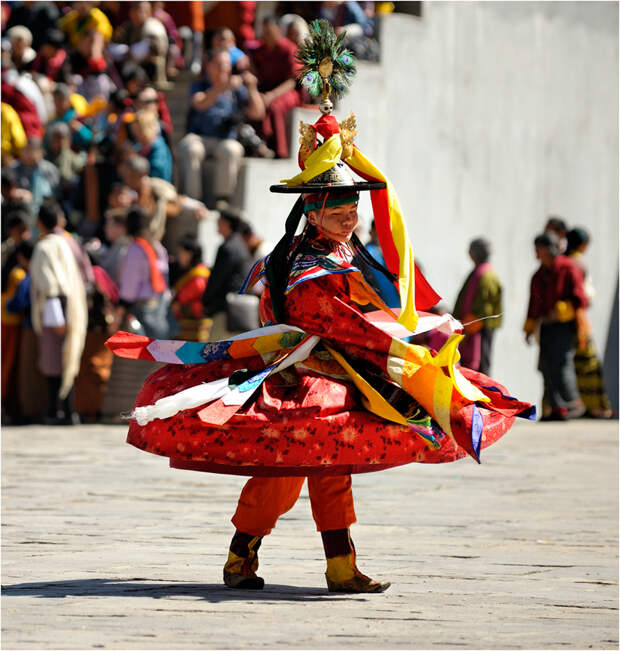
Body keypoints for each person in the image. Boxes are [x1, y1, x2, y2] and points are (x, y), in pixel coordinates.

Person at [105, 21, 533, 595]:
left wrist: (418, 326)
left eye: (353, 207)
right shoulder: (304, 266)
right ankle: (243, 555)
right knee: (283, 475)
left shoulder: (340, 253)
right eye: (337, 208)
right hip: (303, 377)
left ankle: (339, 565)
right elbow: (335, 322)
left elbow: (369, 309)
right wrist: (400, 344)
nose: (349, 217)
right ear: (312, 209)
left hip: (343, 371)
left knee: (332, 468)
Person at [177, 48, 265, 207]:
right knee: (189, 148)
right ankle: (193, 198)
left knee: (231, 150)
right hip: (200, 137)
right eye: (219, 64)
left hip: (225, 139)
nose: (224, 68)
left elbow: (258, 113)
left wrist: (252, 88)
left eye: (226, 64)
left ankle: (222, 199)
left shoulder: (237, 90)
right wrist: (222, 87)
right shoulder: (199, 85)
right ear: (209, 66)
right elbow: (200, 103)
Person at [29, 199, 87, 425]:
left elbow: (49, 285)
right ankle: (69, 411)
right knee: (68, 358)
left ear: (40, 222)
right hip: (73, 305)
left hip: (55, 310)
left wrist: (56, 318)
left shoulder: (44, 246)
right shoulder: (69, 242)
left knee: (54, 362)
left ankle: (58, 411)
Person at [524, 231, 588, 420]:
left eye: (538, 249)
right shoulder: (538, 275)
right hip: (546, 327)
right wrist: (529, 328)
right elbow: (533, 305)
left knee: (561, 364)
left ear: (547, 249)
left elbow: (581, 299)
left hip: (565, 326)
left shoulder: (568, 268)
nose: (536, 252)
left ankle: (573, 403)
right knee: (545, 365)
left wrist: (561, 311)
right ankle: (556, 408)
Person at [565, 228, 613, 418]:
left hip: (563, 322)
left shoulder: (563, 261)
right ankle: (594, 408)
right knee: (588, 365)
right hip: (578, 320)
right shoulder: (577, 264)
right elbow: (582, 297)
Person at [114, 206, 175, 340]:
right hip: (160, 304)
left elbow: (129, 286)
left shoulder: (135, 249)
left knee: (144, 353)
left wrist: (119, 312)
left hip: (141, 309)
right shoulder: (157, 246)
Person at [250, 15, 302, 159]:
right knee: (253, 103)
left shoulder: (289, 48)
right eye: (264, 32)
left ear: (278, 30)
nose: (266, 35)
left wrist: (272, 95)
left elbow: (292, 81)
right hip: (266, 90)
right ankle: (258, 146)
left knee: (275, 106)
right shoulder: (261, 49)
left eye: (269, 31)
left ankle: (280, 152)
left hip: (288, 92)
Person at [201, 208, 253, 340]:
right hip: (238, 311)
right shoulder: (240, 245)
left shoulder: (228, 248)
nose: (216, 224)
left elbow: (216, 279)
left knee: (215, 354)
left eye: (219, 220)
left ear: (226, 223)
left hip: (225, 313)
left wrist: (205, 301)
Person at [453, 238, 502, 375]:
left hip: (479, 331)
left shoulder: (486, 276)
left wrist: (466, 331)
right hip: (472, 329)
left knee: (481, 370)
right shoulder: (478, 273)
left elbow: (483, 311)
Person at [171, 234, 211, 342]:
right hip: (187, 331)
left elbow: (180, 303)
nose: (178, 256)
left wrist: (177, 305)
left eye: (181, 252)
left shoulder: (199, 278)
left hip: (193, 333)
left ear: (190, 254)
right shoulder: (192, 273)